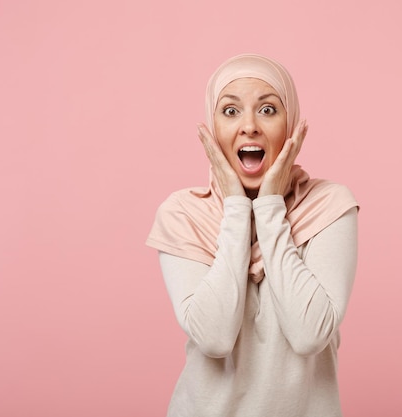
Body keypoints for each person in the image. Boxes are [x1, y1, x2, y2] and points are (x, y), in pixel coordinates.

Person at [146, 53, 359, 417]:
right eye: (230, 111)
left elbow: (310, 334)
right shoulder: (184, 214)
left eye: (268, 110)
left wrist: (271, 205)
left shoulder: (328, 206)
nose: (249, 127)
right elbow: (214, 338)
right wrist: (236, 209)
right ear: (212, 128)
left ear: (290, 124)